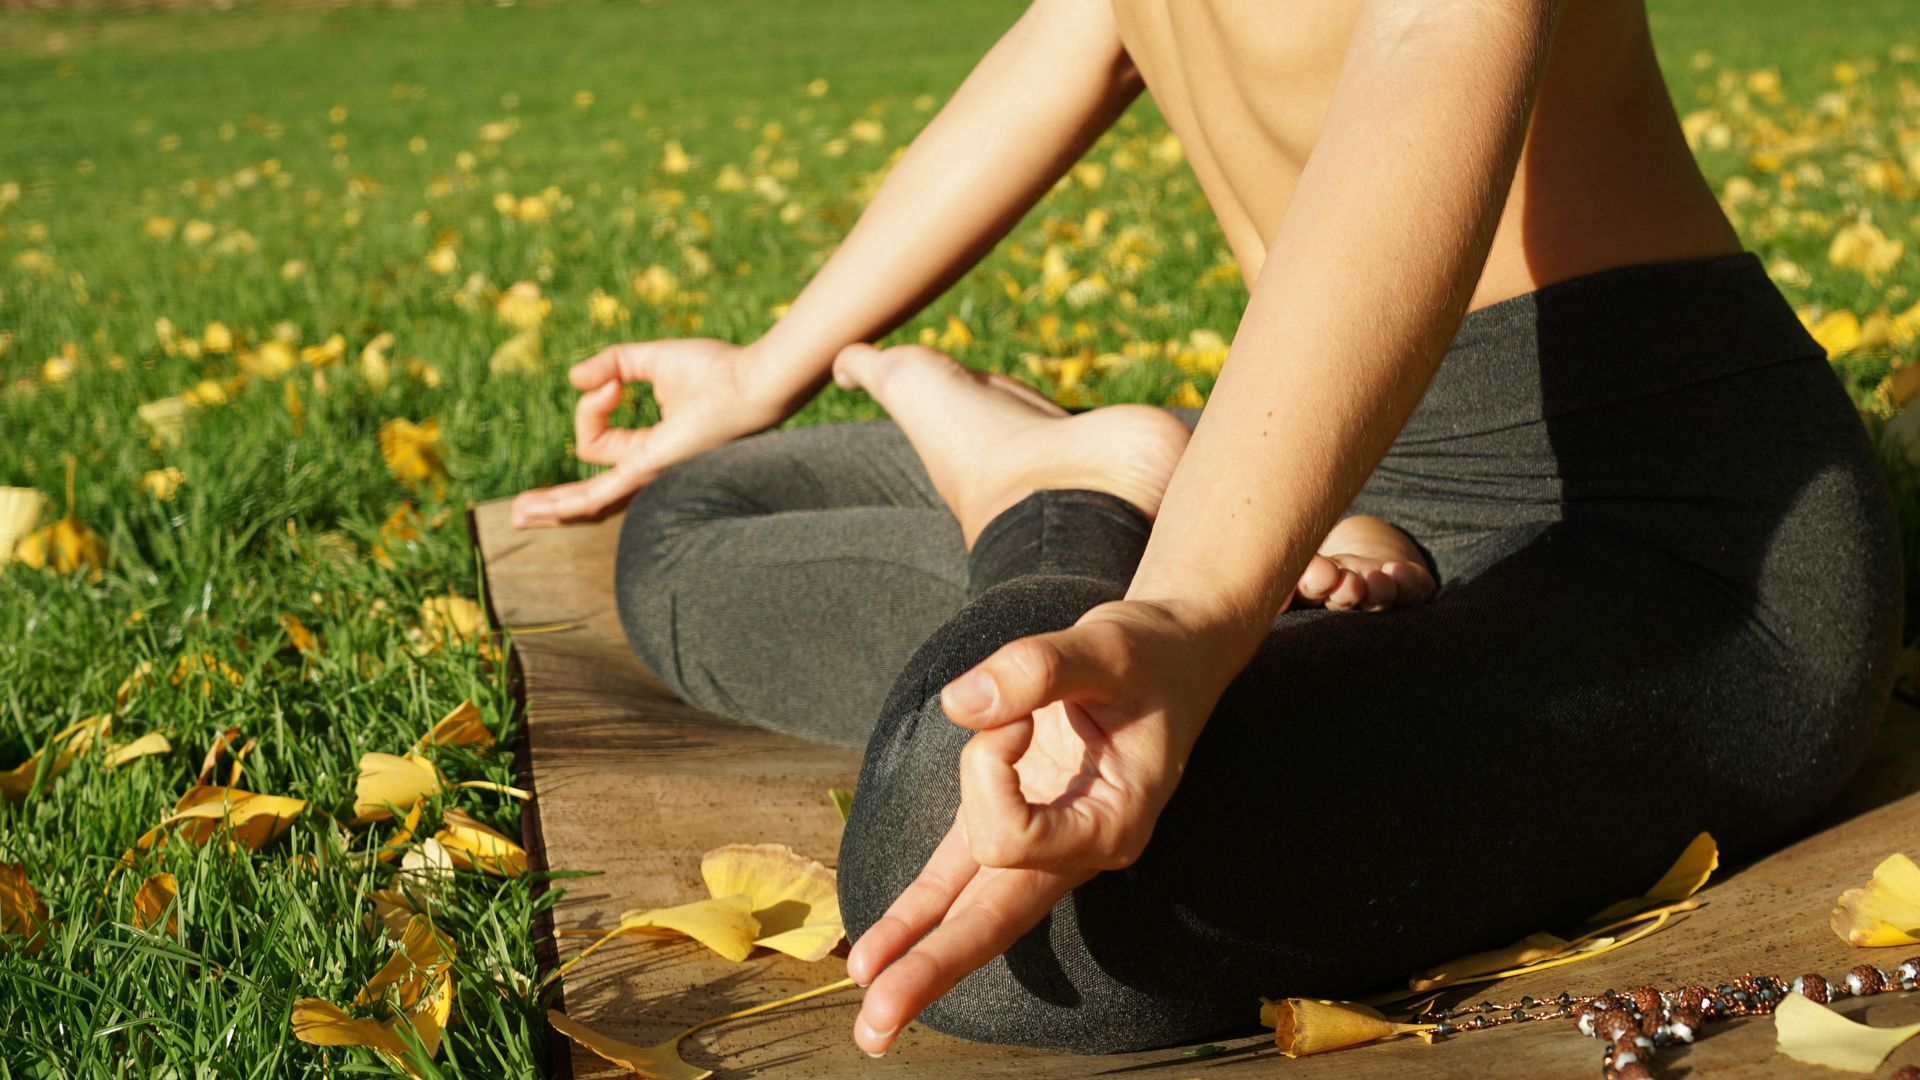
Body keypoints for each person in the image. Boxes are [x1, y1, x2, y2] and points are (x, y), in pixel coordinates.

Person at [512, 0, 1904, 1056]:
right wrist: (765, 370)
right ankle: (1116, 494)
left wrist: (1183, 605)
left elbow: (1437, 42)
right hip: (1335, 484)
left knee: (1012, 888)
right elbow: (1080, 34)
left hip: (1667, 557)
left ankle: (1058, 498)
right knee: (698, 514)